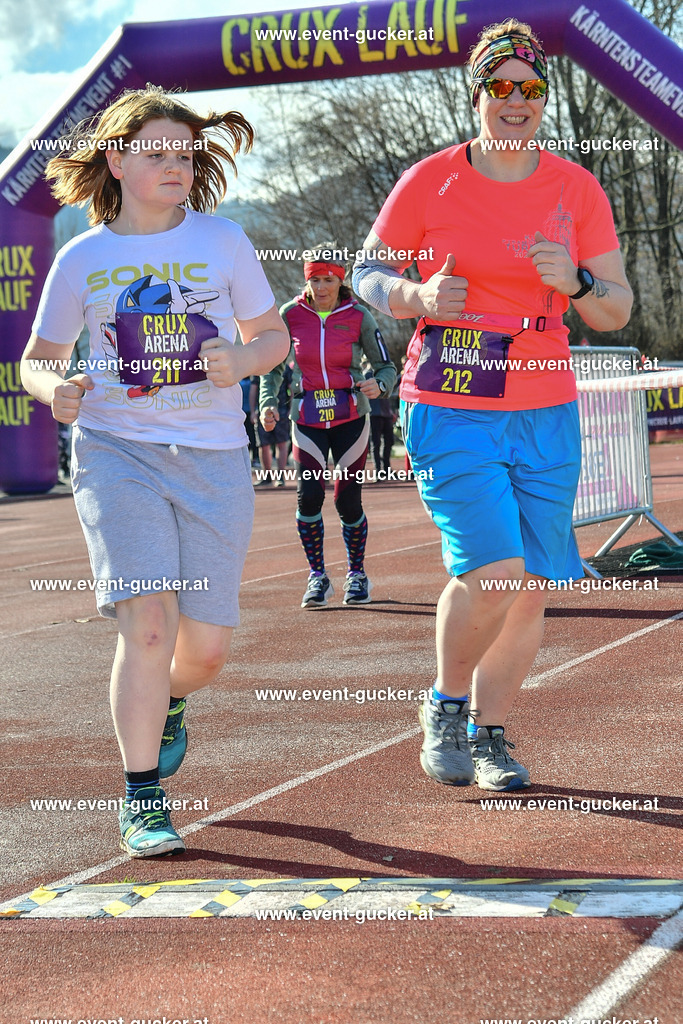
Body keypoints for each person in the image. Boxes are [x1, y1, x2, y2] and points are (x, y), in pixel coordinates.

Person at [353, 20, 632, 790]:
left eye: (530, 88)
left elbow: (615, 309)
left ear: (543, 97)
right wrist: (412, 295)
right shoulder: (429, 180)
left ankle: (491, 735)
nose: (516, 100)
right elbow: (366, 273)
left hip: (545, 403)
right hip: (451, 398)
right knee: (496, 568)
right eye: (500, 86)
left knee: (531, 584)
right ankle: (445, 705)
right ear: (475, 94)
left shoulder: (575, 188)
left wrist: (576, 283)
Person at [20, 86, 290, 855]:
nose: (176, 165)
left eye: (185, 154)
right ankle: (142, 797)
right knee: (145, 624)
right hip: (117, 451)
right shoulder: (83, 257)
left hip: (212, 458)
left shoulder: (225, 241)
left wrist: (240, 358)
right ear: (116, 160)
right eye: (157, 153)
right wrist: (56, 389)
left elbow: (272, 337)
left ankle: (170, 701)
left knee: (202, 650)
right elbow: (38, 359)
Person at [260, 247, 396, 607]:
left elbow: (386, 366)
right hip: (307, 418)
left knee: (347, 500)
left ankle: (357, 575)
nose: (321, 287)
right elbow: (272, 367)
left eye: (329, 280)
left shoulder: (359, 316)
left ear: (341, 280)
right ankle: (317, 576)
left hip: (350, 416)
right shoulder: (290, 315)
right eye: (315, 280)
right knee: (309, 496)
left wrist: (380, 384)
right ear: (306, 280)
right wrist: (267, 403)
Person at [250, 364, 292, 486]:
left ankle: (280, 477)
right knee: (263, 445)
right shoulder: (259, 365)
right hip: (263, 412)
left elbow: (291, 389)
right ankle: (267, 476)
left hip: (281, 411)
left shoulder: (285, 367)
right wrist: (253, 411)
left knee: (281, 444)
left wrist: (291, 408)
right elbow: (253, 390)